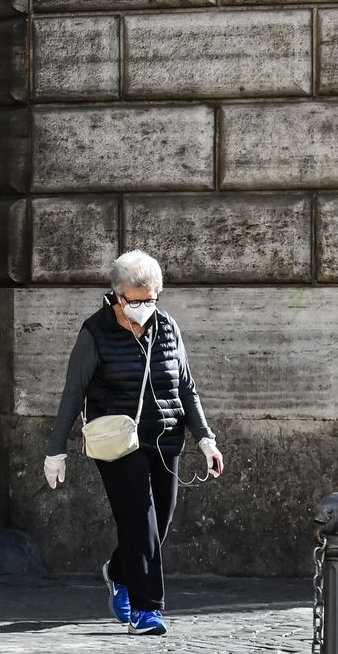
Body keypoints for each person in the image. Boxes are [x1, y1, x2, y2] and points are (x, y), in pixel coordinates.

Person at [41, 250, 224, 637]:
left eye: (151, 299)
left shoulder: (167, 327)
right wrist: (56, 450)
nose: (144, 307)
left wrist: (206, 439)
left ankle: (119, 571)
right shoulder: (95, 332)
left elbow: (186, 387)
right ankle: (146, 609)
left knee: (159, 523)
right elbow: (73, 393)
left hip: (166, 437)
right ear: (117, 295)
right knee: (140, 519)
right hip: (119, 441)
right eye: (136, 300)